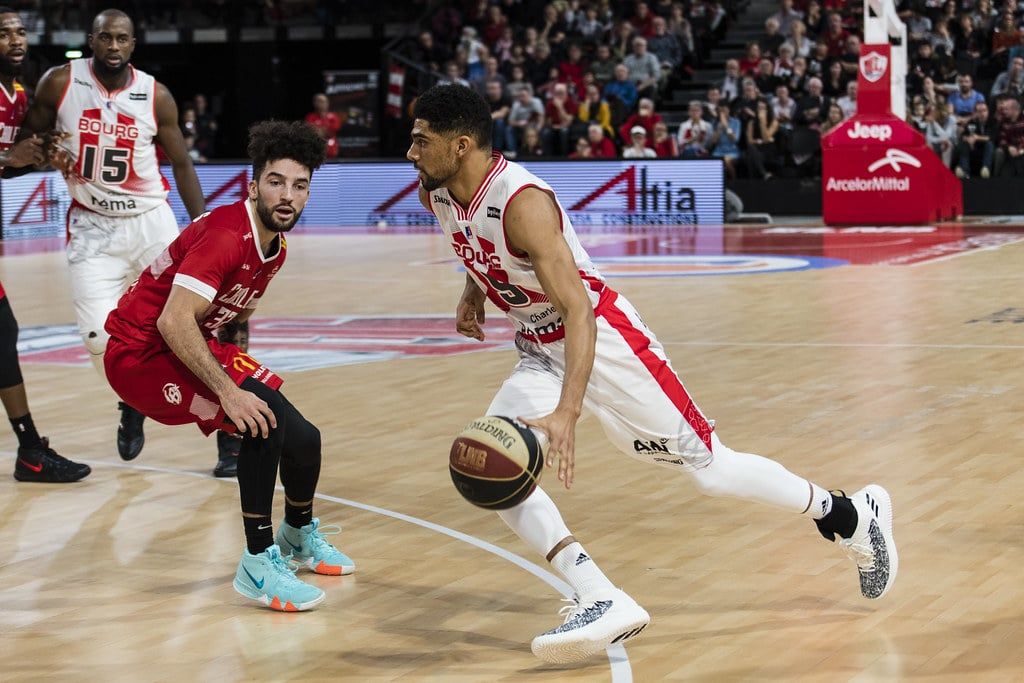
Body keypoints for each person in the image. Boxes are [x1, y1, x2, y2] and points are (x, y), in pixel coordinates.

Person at [407, 84, 898, 665]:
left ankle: (848, 515)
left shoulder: (523, 203)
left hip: (606, 342)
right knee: (494, 469)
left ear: (462, 145)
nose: (411, 152)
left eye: (421, 141)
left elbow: (579, 311)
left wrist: (567, 412)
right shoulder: (436, 191)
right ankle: (599, 595)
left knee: (712, 470)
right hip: (539, 348)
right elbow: (475, 244)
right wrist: (474, 293)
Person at [104, 120, 354, 611]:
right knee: (260, 419)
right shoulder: (225, 234)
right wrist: (229, 392)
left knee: (305, 437)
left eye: (299, 185)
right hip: (139, 356)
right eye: (276, 182)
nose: (287, 195)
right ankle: (257, 562)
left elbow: (234, 319)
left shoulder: (274, 248)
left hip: (183, 343)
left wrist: (244, 373)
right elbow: (173, 321)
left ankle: (297, 534)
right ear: (253, 186)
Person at [20, 10, 241, 476]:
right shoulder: (58, 83)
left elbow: (181, 162)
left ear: (133, 44)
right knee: (100, 340)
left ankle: (229, 438)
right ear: (91, 40)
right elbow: (28, 142)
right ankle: (133, 401)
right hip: (92, 227)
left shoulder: (155, 94)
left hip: (151, 225)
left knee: (198, 326)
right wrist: (42, 152)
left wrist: (202, 224)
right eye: (105, 37)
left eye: (122, 39)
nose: (114, 46)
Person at [0, 7, 90, 483]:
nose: (16, 40)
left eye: (20, 32)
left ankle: (30, 450)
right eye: (4, 33)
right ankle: (30, 450)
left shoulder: (18, 95)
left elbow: (11, 165)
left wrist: (38, 157)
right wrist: (7, 155)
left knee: (3, 333)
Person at [304, 93, 340, 159]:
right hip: (315, 153)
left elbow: (332, 131)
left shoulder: (334, 117)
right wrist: (323, 131)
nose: (323, 104)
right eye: (320, 101)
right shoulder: (310, 117)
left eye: (324, 101)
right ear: (315, 103)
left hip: (331, 153)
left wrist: (321, 130)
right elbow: (312, 133)